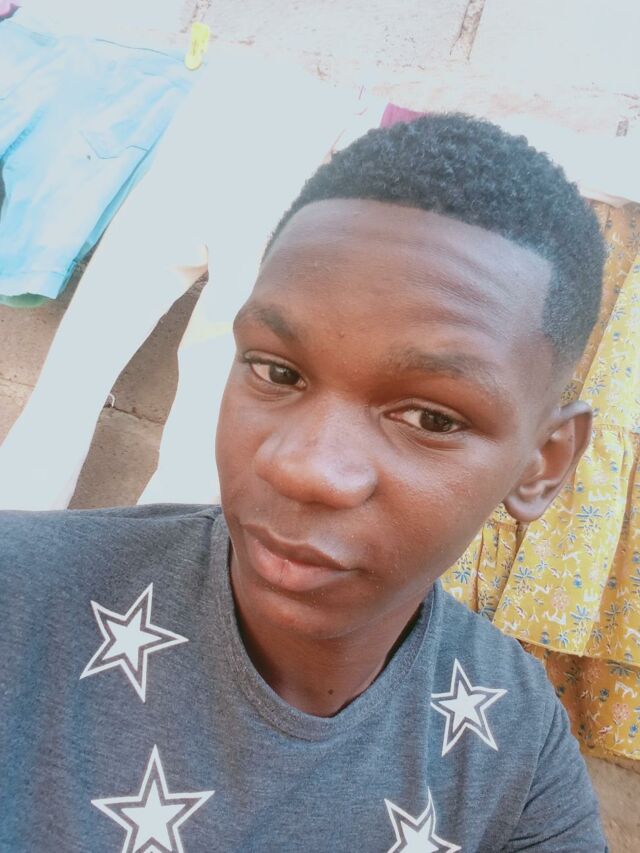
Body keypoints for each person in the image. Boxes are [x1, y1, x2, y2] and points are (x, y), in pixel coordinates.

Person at [0, 114, 608, 851]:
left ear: (543, 462)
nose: (305, 467)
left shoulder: (514, 739)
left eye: (431, 417)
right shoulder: (19, 594)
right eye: (277, 371)